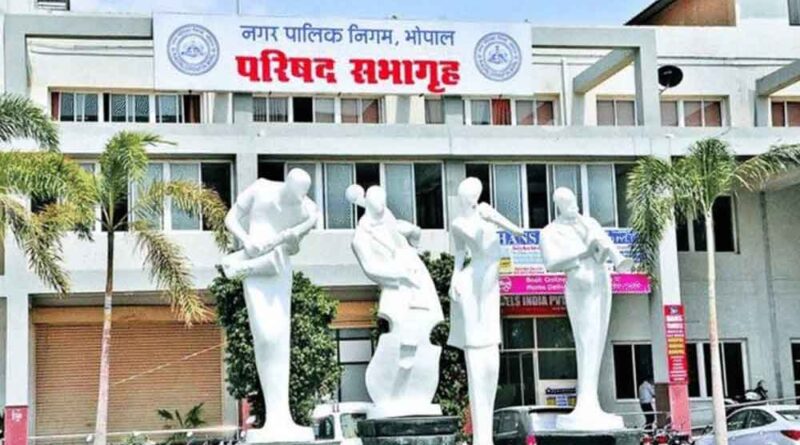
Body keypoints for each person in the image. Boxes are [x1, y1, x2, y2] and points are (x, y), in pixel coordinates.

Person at [221, 169, 319, 443]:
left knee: (279, 336)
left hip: (278, 269)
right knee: (264, 335)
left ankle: (281, 417)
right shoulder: (261, 188)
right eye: (294, 194)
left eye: (302, 196)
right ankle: (274, 416)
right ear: (287, 184)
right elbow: (230, 218)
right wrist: (246, 239)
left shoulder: (306, 209)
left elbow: (295, 247)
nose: (297, 200)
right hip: (255, 266)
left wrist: (292, 238)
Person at [347, 185, 443, 418]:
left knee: (422, 332)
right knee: (401, 335)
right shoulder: (361, 237)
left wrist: (414, 232)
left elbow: (414, 240)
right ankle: (393, 389)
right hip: (397, 288)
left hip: (419, 284)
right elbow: (371, 268)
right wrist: (399, 275)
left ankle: (418, 389)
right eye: (377, 205)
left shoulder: (390, 221)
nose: (382, 209)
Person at [540, 187, 632, 431]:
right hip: (579, 288)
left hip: (601, 282)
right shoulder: (550, 231)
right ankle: (585, 401)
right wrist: (584, 252)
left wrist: (610, 254)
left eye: (575, 202)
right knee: (586, 342)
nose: (575, 207)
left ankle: (592, 401)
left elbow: (604, 246)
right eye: (569, 204)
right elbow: (551, 263)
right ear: (559, 206)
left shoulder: (589, 222)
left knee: (598, 341)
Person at [448, 178, 525, 445]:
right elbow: (460, 254)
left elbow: (517, 232)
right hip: (473, 282)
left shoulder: (486, 216)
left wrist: (495, 218)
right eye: (468, 194)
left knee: (491, 357)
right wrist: (454, 278)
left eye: (474, 194)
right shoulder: (459, 224)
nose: (471, 198)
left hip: (490, 285)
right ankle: (481, 438)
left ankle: (485, 437)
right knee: (475, 350)